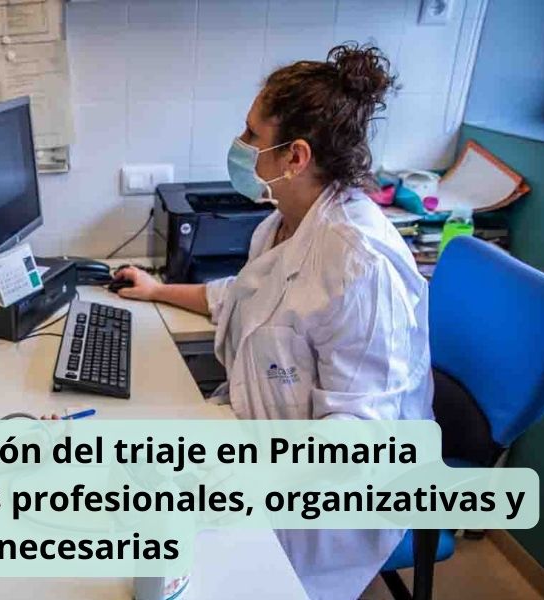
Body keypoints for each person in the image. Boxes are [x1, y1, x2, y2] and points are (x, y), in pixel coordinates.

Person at [113, 44, 433, 599]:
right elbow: (243, 297)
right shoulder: (282, 224)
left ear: (295, 158)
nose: (240, 146)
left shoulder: (361, 265)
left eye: (251, 134)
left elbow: (360, 441)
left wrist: (245, 481)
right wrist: (157, 289)